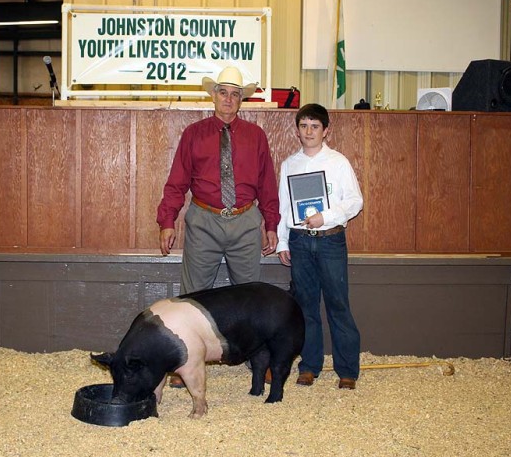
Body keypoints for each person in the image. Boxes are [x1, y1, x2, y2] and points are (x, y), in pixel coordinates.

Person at [156, 66, 281, 387]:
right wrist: (167, 221)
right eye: (223, 92)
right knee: (193, 296)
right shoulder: (193, 134)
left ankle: (259, 362)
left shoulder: (256, 137)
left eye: (235, 94)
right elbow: (176, 182)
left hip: (245, 220)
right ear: (213, 96)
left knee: (252, 297)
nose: (228, 99)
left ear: (242, 100)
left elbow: (268, 184)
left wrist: (271, 223)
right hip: (203, 220)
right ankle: (185, 362)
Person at [276, 103, 364, 390]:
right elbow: (283, 207)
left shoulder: (338, 162)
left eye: (315, 126)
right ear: (297, 131)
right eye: (304, 126)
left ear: (326, 131)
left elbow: (355, 202)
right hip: (300, 242)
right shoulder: (289, 164)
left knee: (338, 305)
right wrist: (282, 241)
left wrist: (324, 217)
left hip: (330, 240)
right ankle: (309, 366)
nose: (309, 131)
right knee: (306, 308)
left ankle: (347, 370)